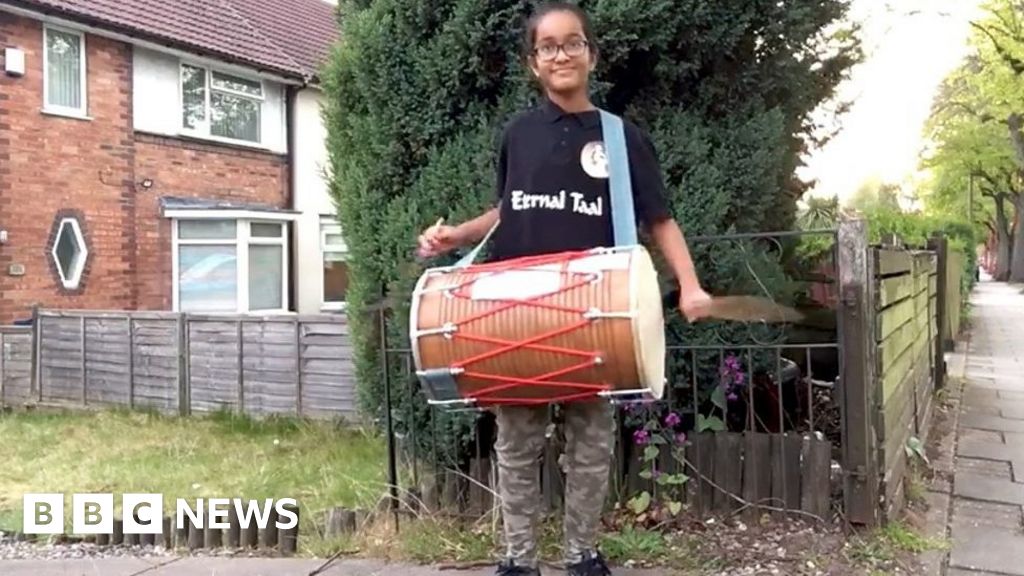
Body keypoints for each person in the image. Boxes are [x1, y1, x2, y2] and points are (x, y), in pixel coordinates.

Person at [416, 3, 712, 575]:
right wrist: (459, 235)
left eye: (572, 43)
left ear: (590, 54)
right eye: (547, 47)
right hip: (516, 312)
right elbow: (509, 208)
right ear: (534, 62)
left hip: (593, 315)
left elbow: (659, 218)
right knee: (516, 444)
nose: (561, 55)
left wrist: (690, 285)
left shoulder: (620, 137)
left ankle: (582, 553)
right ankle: (518, 559)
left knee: (592, 444)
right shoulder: (518, 135)